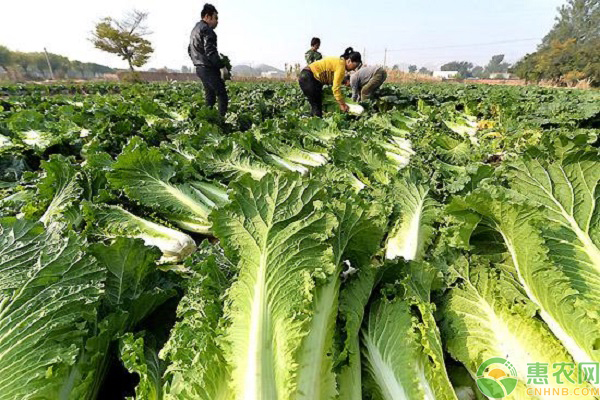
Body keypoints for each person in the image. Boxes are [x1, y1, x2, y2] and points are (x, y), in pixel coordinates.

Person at [188, 3, 228, 117]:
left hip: (199, 68)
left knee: (210, 96)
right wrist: (221, 66)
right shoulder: (207, 30)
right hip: (208, 68)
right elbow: (210, 52)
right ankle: (221, 121)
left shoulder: (194, 30)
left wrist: (197, 62)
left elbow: (189, 50)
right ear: (207, 16)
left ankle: (207, 120)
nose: (217, 21)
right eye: (215, 18)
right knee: (222, 94)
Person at [298, 47, 362, 117]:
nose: (354, 69)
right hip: (309, 77)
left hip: (308, 76)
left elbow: (330, 73)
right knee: (316, 107)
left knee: (315, 105)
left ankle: (311, 120)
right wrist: (342, 104)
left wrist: (343, 81)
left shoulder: (339, 62)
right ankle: (314, 124)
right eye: (355, 66)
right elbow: (335, 88)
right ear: (349, 61)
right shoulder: (341, 66)